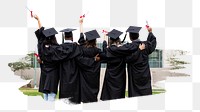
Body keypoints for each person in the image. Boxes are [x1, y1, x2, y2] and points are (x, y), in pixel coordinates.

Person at [100, 29, 145, 101]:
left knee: (109, 95)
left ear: (110, 41)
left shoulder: (108, 50)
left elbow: (104, 48)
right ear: (118, 39)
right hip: (120, 76)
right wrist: (139, 49)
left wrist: (105, 38)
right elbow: (131, 49)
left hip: (110, 76)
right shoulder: (122, 50)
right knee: (119, 95)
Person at [34, 15, 60, 101]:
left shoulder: (41, 47)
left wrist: (38, 20)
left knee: (45, 96)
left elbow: (40, 36)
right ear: (54, 37)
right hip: (53, 74)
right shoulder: (57, 48)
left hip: (44, 72)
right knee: (51, 96)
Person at [125, 26, 157, 97]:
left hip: (134, 77)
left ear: (130, 37)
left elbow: (127, 59)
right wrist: (150, 32)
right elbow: (153, 42)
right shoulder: (145, 45)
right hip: (144, 75)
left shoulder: (128, 47)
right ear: (138, 35)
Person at [77, 19, 102, 103]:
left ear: (86, 40)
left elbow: (81, 40)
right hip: (94, 78)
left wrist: (81, 25)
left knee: (85, 98)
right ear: (95, 40)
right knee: (93, 99)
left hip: (84, 78)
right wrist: (94, 59)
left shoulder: (81, 49)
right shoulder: (98, 51)